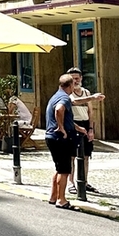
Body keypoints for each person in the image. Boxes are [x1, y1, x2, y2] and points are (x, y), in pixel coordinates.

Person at [44, 73, 89, 208]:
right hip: (60, 138)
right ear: (70, 85)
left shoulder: (56, 96)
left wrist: (77, 128)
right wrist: (61, 128)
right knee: (64, 171)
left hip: (51, 137)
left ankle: (53, 196)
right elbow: (59, 110)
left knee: (59, 168)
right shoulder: (64, 98)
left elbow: (64, 115)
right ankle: (61, 199)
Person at [68, 68, 106, 192]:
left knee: (86, 155)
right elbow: (74, 102)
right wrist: (93, 97)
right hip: (73, 124)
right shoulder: (68, 93)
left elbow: (90, 112)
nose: (75, 81)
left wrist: (91, 129)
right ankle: (70, 183)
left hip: (85, 123)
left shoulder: (86, 92)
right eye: (72, 79)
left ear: (81, 78)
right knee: (71, 155)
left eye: (77, 78)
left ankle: (84, 181)